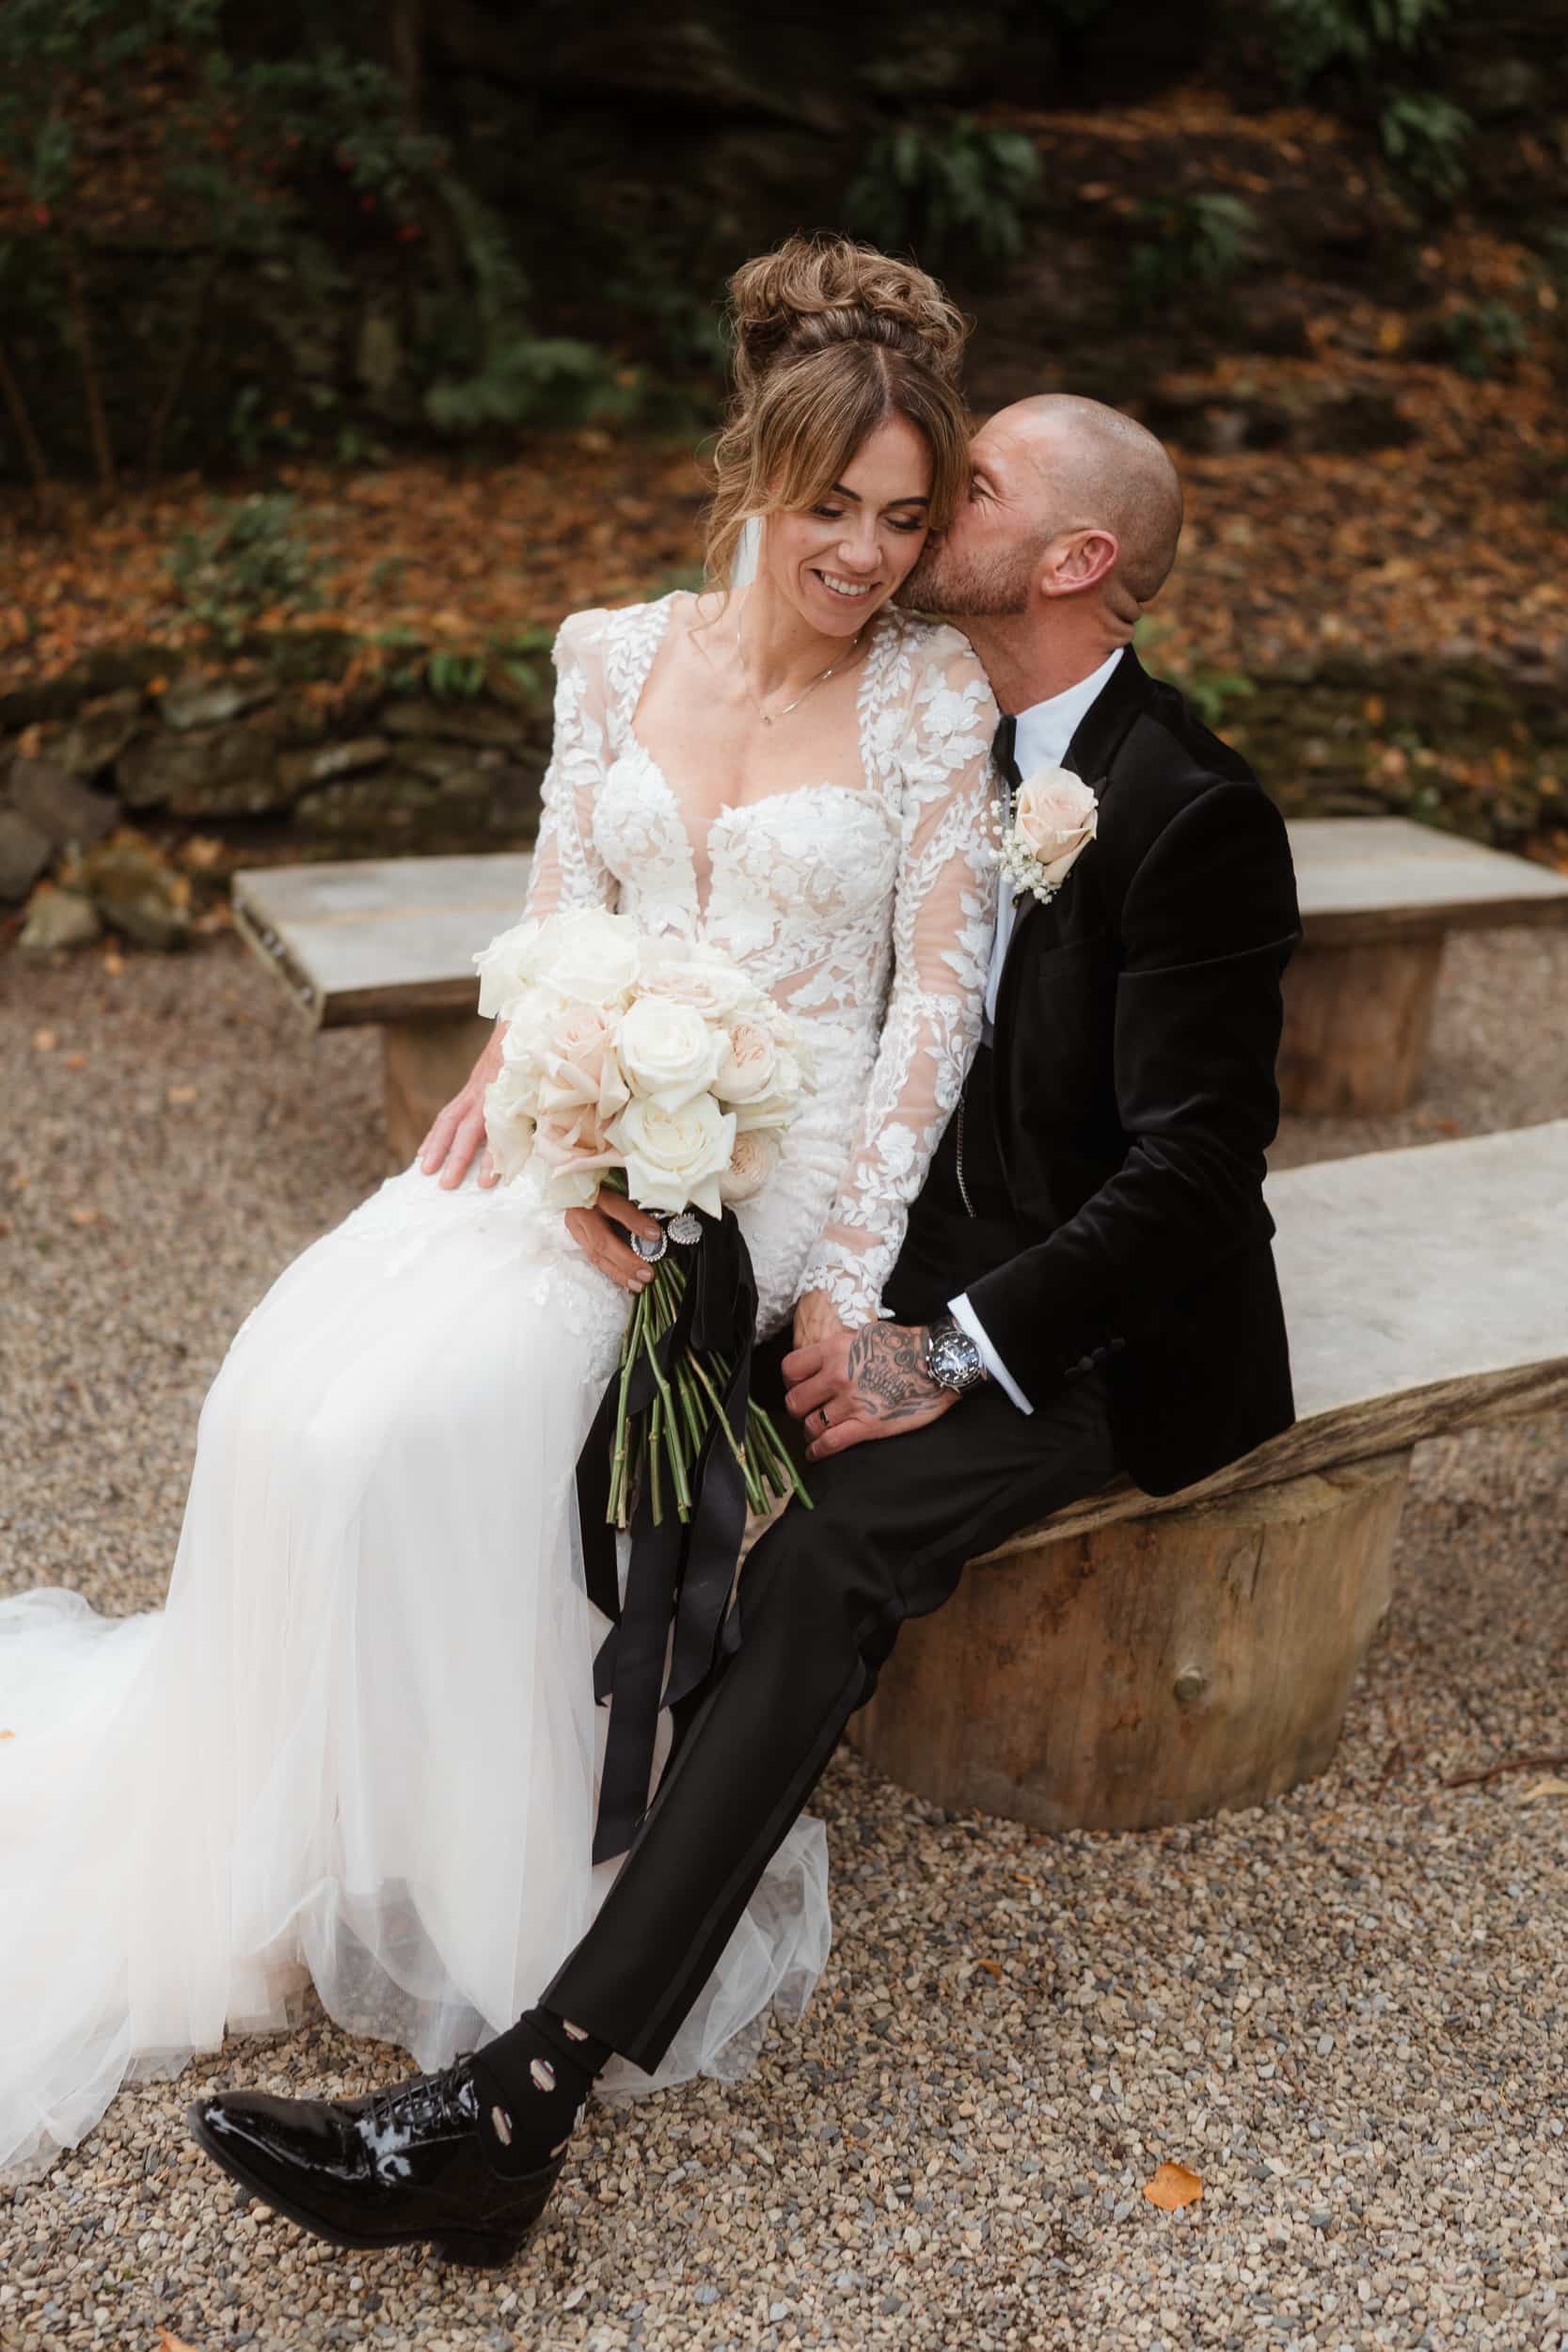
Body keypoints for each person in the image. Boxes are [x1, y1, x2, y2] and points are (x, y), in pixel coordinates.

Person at [181, 389, 1303, 2267]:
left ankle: (518, 2104)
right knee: (549, 1397)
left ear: (1077, 559)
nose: (923, 517)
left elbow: (1193, 1181)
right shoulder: (941, 709)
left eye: (972, 489)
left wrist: (941, 1347)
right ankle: (435, 1848)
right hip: (879, 1237)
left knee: (820, 1560)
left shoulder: (1194, 810)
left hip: (1095, 1328)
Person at [0, 234, 1001, 2214]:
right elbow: (556, 918)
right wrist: (540, 1101)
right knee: (288, 1389)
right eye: (835, 505)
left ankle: (499, 1894)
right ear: (755, 467)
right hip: (586, 1117)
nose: (867, 555)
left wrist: (841, 1283)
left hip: (776, 1168)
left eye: (904, 519)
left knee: (437, 1421)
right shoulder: (610, 654)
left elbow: (932, 1019)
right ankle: (320, 1838)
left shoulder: (927, 697)